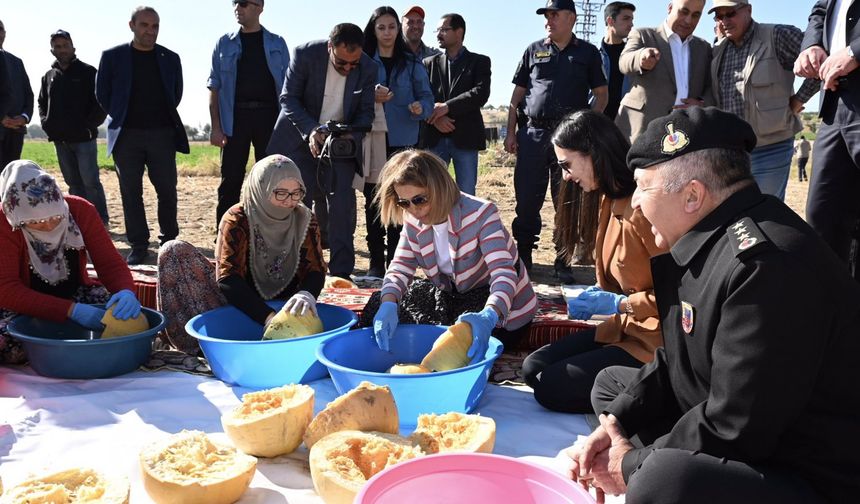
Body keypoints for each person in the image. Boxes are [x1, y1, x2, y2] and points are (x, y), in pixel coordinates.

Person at [568, 107, 860, 503]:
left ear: (692, 195)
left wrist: (630, 465)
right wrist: (616, 425)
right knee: (613, 392)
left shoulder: (767, 266)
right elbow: (679, 361)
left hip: (804, 471)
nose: (634, 202)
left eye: (643, 187)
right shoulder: (714, 238)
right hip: (748, 425)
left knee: (662, 478)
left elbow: (737, 426)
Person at [522, 110, 665, 414]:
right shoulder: (606, 197)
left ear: (594, 154)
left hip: (654, 340)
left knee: (550, 386)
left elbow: (683, 297)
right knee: (533, 367)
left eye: (567, 165)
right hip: (626, 328)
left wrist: (621, 304)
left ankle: (656, 392)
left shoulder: (643, 210)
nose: (565, 177)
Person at [363, 149, 537, 354]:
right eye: (404, 202)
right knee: (377, 305)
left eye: (420, 199)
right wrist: (388, 304)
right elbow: (400, 268)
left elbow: (504, 273)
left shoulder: (482, 213)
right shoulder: (413, 220)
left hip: (493, 300)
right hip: (451, 295)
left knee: (461, 343)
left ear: (439, 188)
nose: (413, 209)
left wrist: (490, 314)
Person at [157, 154, 326, 354]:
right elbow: (229, 279)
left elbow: (315, 269)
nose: (290, 201)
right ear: (260, 190)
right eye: (281, 193)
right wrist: (268, 318)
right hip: (236, 305)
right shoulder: (237, 218)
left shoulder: (304, 219)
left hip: (286, 310)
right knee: (173, 251)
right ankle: (197, 347)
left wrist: (306, 294)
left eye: (296, 193)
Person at [504, 0, 608, 283]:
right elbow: (516, 97)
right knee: (526, 199)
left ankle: (563, 259)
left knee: (567, 200)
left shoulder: (587, 53)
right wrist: (511, 132)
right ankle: (523, 255)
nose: (548, 21)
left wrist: (585, 127)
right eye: (546, 16)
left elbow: (601, 94)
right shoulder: (533, 50)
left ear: (571, 18)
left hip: (569, 140)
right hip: (534, 135)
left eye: (554, 15)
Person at [0, 161, 141, 364]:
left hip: (74, 293)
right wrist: (70, 311)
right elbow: (6, 289)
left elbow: (109, 263)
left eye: (55, 217)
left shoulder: (80, 210)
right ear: (15, 215)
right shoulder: (3, 223)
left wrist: (125, 290)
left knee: (123, 320)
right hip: (20, 305)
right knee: (9, 345)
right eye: (35, 222)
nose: (48, 226)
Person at [266, 23, 376, 280]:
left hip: (340, 146)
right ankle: (291, 269)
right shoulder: (305, 54)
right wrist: (312, 130)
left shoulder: (369, 67)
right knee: (293, 202)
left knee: (342, 205)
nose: (348, 68)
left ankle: (341, 273)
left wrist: (350, 134)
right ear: (330, 48)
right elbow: (288, 98)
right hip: (299, 138)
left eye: (354, 64)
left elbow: (366, 113)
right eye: (342, 63)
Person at [96, 6, 190, 265]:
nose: (150, 31)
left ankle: (169, 242)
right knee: (131, 192)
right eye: (144, 25)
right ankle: (138, 245)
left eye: (155, 26)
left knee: (167, 191)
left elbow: (176, 94)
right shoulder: (113, 57)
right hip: (126, 137)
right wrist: (122, 115)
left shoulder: (170, 58)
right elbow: (102, 94)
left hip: (162, 135)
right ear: (132, 25)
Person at [710, 0, 818, 201]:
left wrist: (798, 100)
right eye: (719, 16)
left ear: (748, 10)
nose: (724, 20)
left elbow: (819, 64)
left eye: (730, 13)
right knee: (735, 214)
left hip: (771, 148)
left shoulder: (778, 35)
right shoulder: (718, 50)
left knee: (764, 213)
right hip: (731, 152)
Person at [358, 6, 434, 279]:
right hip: (374, 138)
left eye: (391, 27)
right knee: (374, 201)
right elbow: (352, 95)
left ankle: (397, 263)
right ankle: (376, 263)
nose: (387, 32)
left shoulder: (412, 62)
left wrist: (420, 108)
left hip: (404, 141)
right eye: (382, 27)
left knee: (403, 201)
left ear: (397, 30)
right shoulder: (364, 61)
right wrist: (370, 95)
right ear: (374, 30)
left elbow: (427, 98)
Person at [208, 0, 290, 228]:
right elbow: (214, 87)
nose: (238, 8)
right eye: (235, 3)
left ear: (260, 7)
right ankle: (224, 237)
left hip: (270, 119)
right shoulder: (224, 44)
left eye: (243, 3)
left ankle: (269, 234)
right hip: (235, 120)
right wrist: (215, 127)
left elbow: (289, 88)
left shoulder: (277, 43)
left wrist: (287, 127)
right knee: (230, 182)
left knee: (272, 180)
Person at [794, 0, 860, 276]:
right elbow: (820, 11)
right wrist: (811, 45)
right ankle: (839, 310)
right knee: (823, 214)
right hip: (834, 104)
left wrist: (855, 50)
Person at [38, 29, 109, 225]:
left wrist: (88, 125)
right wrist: (47, 124)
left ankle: (100, 221)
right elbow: (42, 102)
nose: (62, 50)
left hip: (84, 139)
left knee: (91, 183)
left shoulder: (88, 72)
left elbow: (101, 103)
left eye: (65, 45)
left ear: (73, 46)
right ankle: (80, 221)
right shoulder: (48, 76)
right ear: (52, 50)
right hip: (60, 140)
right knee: (73, 184)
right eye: (58, 47)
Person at [614, 0, 712, 143]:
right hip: (640, 132)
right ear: (670, 8)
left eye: (696, 15)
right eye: (683, 12)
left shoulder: (704, 48)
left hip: (684, 136)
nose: (688, 20)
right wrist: (641, 57)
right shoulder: (643, 35)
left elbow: (710, 86)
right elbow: (624, 62)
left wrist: (702, 104)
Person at [422, 13, 492, 196]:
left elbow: (480, 94)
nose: (438, 34)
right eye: (437, 30)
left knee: (466, 194)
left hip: (465, 139)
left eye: (444, 30)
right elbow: (423, 96)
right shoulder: (428, 64)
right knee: (433, 192)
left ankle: (463, 226)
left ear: (459, 32)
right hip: (434, 138)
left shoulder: (480, 62)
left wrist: (447, 107)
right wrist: (436, 119)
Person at [0, 20, 34, 170]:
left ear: (5, 33)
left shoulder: (16, 62)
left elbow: (28, 94)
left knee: (10, 179)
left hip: (15, 132)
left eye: (0, 29)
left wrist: (24, 118)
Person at [600, 2, 636, 120]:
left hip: (625, 123)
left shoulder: (633, 56)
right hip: (597, 123)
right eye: (626, 19)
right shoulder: (593, 55)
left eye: (631, 20)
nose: (631, 24)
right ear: (610, 21)